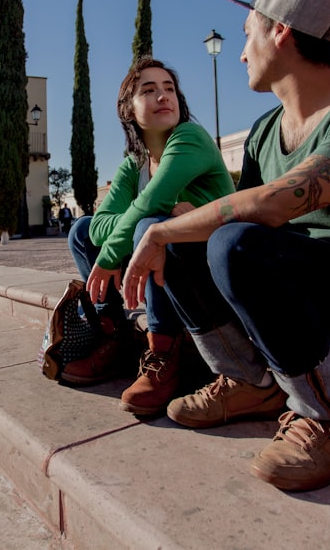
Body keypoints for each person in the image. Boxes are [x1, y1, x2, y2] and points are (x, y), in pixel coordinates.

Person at [122, 0, 330, 491]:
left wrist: (163, 230)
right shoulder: (267, 128)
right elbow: (238, 209)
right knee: (179, 235)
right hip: (290, 293)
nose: (242, 51)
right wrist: (159, 228)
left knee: (237, 244)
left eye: (248, 34)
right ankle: (248, 380)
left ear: (280, 32)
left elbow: (270, 206)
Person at [62, 57, 235, 417]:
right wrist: (157, 210)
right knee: (81, 231)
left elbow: (152, 202)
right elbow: (96, 226)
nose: (163, 96)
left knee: (149, 227)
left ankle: (163, 351)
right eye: (149, 90)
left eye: (169, 88)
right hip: (165, 256)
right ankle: (112, 334)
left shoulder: (189, 137)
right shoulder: (134, 164)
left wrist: (119, 247)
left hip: (210, 271)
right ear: (128, 108)